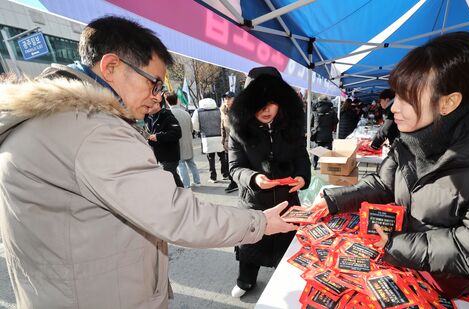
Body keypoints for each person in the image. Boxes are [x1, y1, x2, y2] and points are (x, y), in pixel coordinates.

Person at [0, 16, 296, 308]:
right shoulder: (91, 128)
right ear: (111, 66)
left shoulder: (52, 119)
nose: (157, 97)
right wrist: (261, 222)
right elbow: (178, 216)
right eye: (154, 83)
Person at [312, 31, 469, 308]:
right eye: (395, 97)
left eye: (406, 98)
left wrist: (399, 246)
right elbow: (383, 183)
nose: (393, 110)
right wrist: (333, 200)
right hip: (429, 273)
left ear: (448, 102)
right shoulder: (417, 137)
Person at [229, 66, 311, 298]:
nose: (266, 109)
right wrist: (253, 178)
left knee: (286, 248)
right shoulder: (238, 130)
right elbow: (234, 168)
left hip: (287, 202)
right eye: (259, 102)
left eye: (272, 101)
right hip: (254, 203)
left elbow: (301, 156)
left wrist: (302, 177)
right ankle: (245, 281)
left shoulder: (291, 127)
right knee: (251, 248)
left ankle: (282, 282)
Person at [145, 98, 184, 187]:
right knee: (174, 179)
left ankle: (179, 197)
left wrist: (158, 136)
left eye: (151, 104)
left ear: (158, 104)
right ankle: (184, 196)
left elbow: (177, 133)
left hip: (169, 157)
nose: (148, 106)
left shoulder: (167, 116)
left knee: (166, 180)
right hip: (158, 156)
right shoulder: (149, 118)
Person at [192, 95, 229, 183]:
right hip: (219, 136)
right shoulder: (219, 110)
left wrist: (199, 130)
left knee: (210, 158)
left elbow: (194, 124)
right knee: (222, 156)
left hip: (207, 138)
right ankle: (225, 174)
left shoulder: (198, 111)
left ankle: (213, 177)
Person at [168, 92, 201, 188]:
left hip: (177, 144)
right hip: (188, 142)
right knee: (192, 163)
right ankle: (197, 182)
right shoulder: (186, 113)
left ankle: (186, 185)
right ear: (177, 100)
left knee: (181, 165)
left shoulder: (169, 114)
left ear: (167, 102)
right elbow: (192, 129)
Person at [311, 95, 338, 169]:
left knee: (316, 150)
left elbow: (311, 123)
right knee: (328, 150)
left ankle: (314, 165)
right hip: (328, 133)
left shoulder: (315, 111)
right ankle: (327, 167)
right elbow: (336, 121)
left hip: (318, 134)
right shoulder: (332, 111)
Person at [221, 91, 238, 193]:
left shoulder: (238, 110)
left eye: (229, 98)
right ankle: (233, 182)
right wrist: (223, 140)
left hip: (238, 141)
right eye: (225, 98)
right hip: (228, 142)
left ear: (234, 99)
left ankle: (239, 182)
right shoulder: (223, 110)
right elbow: (222, 125)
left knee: (240, 163)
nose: (227, 100)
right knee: (229, 164)